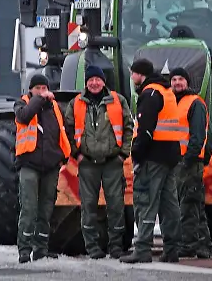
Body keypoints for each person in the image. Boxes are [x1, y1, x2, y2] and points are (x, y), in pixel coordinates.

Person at [62, 65, 134, 260]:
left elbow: (129, 127)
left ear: (104, 81)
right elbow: (67, 131)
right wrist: (76, 155)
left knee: (116, 206)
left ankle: (116, 246)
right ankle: (92, 247)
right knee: (88, 206)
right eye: (91, 79)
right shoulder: (75, 103)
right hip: (87, 164)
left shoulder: (119, 101)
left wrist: (122, 154)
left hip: (113, 162)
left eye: (98, 79)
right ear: (86, 82)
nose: (94, 83)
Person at [119, 58, 183, 263]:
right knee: (169, 204)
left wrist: (137, 154)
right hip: (170, 155)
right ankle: (172, 249)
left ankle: (143, 249)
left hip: (153, 156)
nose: (131, 77)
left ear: (140, 74)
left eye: (133, 73)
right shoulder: (166, 91)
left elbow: (145, 130)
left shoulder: (150, 94)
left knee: (145, 201)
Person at [14, 73, 70, 264]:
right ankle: (24, 249)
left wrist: (63, 156)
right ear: (30, 90)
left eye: (43, 88)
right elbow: (24, 117)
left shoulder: (55, 107)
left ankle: (41, 249)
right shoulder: (21, 104)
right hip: (29, 165)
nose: (41, 91)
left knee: (46, 210)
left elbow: (64, 130)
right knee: (29, 208)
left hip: (51, 166)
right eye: (37, 88)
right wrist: (38, 99)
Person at [168, 66, 212, 259]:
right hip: (179, 161)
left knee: (187, 205)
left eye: (181, 79)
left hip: (189, 162)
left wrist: (187, 160)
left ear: (187, 82)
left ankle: (189, 244)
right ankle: (203, 245)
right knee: (195, 205)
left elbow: (198, 136)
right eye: (174, 79)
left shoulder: (195, 104)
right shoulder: (172, 102)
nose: (177, 83)